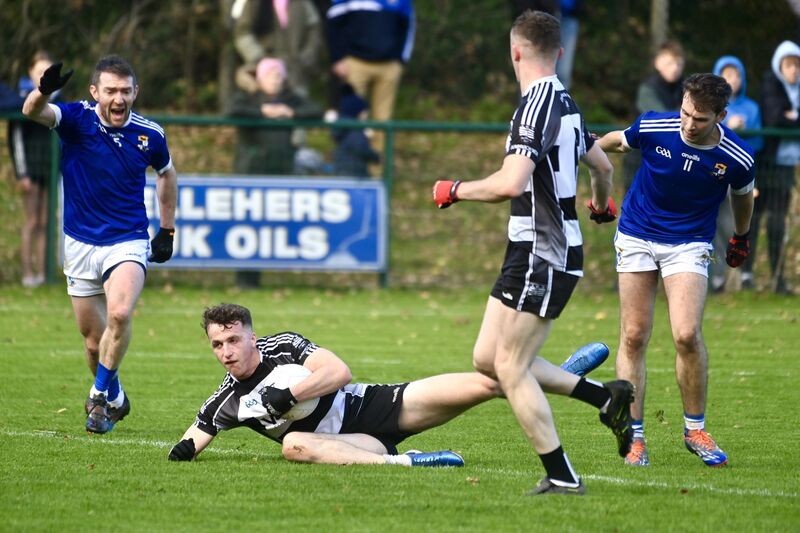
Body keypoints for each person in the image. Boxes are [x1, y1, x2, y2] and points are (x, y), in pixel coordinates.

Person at [430, 11, 633, 495]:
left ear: (515, 51)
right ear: (559, 51)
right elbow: (602, 165)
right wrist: (602, 204)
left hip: (545, 250)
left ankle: (563, 476)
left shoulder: (535, 106)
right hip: (530, 248)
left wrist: (454, 189)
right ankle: (605, 396)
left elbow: (511, 182)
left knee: (511, 367)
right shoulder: (564, 101)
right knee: (487, 358)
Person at [168, 304, 614, 476]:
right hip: (349, 443)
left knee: (488, 384)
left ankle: (563, 374)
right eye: (217, 345)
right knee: (295, 445)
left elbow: (338, 370)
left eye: (233, 339)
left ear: (250, 334)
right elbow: (193, 438)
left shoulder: (282, 346)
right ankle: (409, 462)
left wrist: (285, 397)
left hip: (377, 405)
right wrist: (184, 451)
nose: (227, 351)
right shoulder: (227, 400)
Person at [596, 73, 756, 467]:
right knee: (633, 336)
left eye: (700, 119)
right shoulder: (655, 125)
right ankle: (634, 437)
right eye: (685, 112)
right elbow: (614, 142)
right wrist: (595, 181)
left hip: (689, 242)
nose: (688, 124)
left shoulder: (737, 157)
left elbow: (743, 197)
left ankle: (695, 428)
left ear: (720, 116)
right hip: (636, 232)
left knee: (686, 334)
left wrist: (740, 237)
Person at [22, 56, 178, 434]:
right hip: (79, 244)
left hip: (126, 241)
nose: (119, 98)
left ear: (135, 92)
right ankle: (116, 397)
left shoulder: (150, 134)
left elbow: (167, 175)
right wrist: (43, 90)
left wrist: (166, 230)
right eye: (110, 90)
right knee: (94, 344)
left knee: (120, 314)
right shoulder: (77, 119)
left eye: (126, 91)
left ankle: (97, 396)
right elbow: (31, 113)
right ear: (96, 92)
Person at [228, 56, 323, 289]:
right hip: (251, 171)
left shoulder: (289, 99)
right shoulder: (249, 98)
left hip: (281, 170)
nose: (275, 80)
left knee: (275, 226)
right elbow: (232, 111)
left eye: (279, 75)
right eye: (271, 75)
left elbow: (316, 110)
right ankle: (247, 279)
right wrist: (262, 112)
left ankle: (282, 276)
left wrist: (290, 112)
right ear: (260, 78)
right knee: (249, 225)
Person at [326, 0, 415, 173]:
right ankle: (347, 167)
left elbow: (408, 26)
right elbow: (334, 22)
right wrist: (337, 57)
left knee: (383, 121)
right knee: (351, 118)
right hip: (355, 62)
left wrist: (400, 60)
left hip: (389, 65)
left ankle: (378, 174)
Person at [743, 40, 800, 294]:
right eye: (789, 65)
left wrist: (793, 116)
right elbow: (775, 117)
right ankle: (746, 274)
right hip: (766, 163)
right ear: (780, 66)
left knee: (778, 221)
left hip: (786, 166)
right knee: (753, 218)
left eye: (797, 65)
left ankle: (778, 279)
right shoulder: (770, 84)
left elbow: (787, 118)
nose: (793, 71)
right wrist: (790, 117)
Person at [710, 55, 763, 293]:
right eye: (726, 74)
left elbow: (759, 143)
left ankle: (741, 277)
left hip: (739, 177)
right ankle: (715, 277)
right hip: (713, 177)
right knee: (715, 226)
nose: (731, 80)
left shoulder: (752, 108)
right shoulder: (709, 106)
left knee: (737, 225)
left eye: (736, 75)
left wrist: (744, 130)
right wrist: (728, 128)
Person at [8, 51, 60, 288]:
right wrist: (22, 173)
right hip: (30, 168)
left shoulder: (60, 99)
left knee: (45, 221)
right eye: (38, 71)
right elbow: (16, 138)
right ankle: (27, 274)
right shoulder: (21, 100)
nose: (42, 75)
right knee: (31, 221)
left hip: (51, 168)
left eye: (47, 71)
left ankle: (44, 273)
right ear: (30, 73)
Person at [622, 41, 686, 192]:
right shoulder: (648, 88)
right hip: (639, 158)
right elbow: (662, 120)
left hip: (670, 160)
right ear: (658, 63)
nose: (675, 68)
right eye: (670, 63)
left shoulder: (686, 87)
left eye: (678, 63)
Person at [232, 0, 323, 98]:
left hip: (296, 74)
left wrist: (306, 57)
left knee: (296, 109)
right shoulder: (254, 2)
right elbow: (243, 33)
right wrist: (259, 58)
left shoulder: (302, 2)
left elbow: (315, 30)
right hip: (262, 77)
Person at [332, 84, 379, 177]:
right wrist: (376, 157)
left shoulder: (342, 128)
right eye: (365, 113)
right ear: (358, 112)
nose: (366, 116)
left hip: (341, 169)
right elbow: (361, 148)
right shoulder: (356, 131)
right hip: (355, 172)